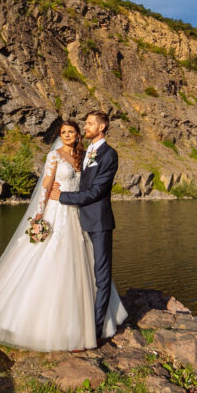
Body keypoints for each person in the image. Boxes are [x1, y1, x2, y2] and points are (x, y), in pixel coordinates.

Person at [0, 118, 126, 351]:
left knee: (82, 267)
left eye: (72, 131)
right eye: (64, 132)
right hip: (56, 213)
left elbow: (92, 188)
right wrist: (39, 215)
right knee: (48, 260)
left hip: (77, 216)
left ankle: (90, 324)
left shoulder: (84, 156)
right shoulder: (55, 156)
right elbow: (46, 186)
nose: (68, 134)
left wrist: (62, 197)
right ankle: (38, 324)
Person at [48, 110, 122, 346]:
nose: (86, 126)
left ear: (101, 127)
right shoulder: (86, 151)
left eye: (90, 123)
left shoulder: (109, 154)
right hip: (79, 221)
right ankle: (80, 322)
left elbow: (97, 191)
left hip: (99, 222)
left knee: (101, 277)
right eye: (86, 123)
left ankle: (96, 332)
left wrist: (62, 196)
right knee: (83, 275)